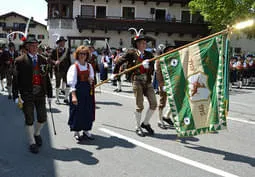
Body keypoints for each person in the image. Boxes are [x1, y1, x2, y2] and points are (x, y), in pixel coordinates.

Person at [12, 37, 53, 154]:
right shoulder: (19, 61)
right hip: (27, 94)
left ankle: (37, 133)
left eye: (36, 45)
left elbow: (47, 78)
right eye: (32, 45)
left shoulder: (43, 60)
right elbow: (15, 80)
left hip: (40, 93)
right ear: (27, 47)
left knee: (43, 117)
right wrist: (16, 96)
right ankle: (31, 142)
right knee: (29, 118)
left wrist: (50, 94)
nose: (35, 47)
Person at [112, 31, 157, 137]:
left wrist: (148, 66)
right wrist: (114, 74)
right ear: (137, 44)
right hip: (137, 80)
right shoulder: (131, 53)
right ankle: (137, 127)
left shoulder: (149, 55)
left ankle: (145, 123)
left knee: (154, 103)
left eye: (145, 43)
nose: (144, 45)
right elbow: (119, 62)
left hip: (147, 81)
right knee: (139, 105)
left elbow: (152, 68)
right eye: (142, 43)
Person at [67, 46, 95, 141]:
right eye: (81, 54)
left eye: (85, 54)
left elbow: (91, 78)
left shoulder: (89, 66)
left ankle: (86, 130)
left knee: (88, 111)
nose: (82, 56)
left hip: (87, 91)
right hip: (78, 91)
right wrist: (74, 96)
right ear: (77, 55)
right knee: (77, 112)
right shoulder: (74, 67)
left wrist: (91, 80)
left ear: (87, 55)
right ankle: (76, 131)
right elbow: (72, 83)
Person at [155, 45, 175, 129]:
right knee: (162, 102)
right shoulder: (160, 60)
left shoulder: (174, 59)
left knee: (175, 100)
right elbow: (158, 74)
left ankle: (166, 116)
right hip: (164, 84)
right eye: (169, 50)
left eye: (173, 50)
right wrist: (162, 85)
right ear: (165, 51)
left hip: (173, 83)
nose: (172, 51)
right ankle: (160, 120)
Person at [50, 36, 71, 104]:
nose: (63, 43)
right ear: (58, 43)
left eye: (64, 42)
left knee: (68, 84)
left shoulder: (67, 50)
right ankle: (57, 98)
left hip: (66, 69)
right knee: (58, 84)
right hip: (58, 70)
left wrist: (70, 69)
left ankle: (66, 98)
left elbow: (69, 60)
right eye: (61, 42)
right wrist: (54, 62)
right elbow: (49, 59)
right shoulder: (54, 50)